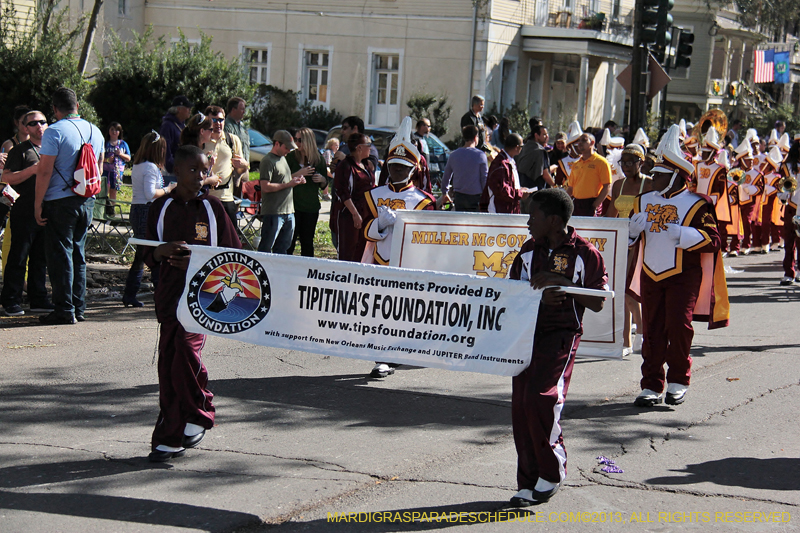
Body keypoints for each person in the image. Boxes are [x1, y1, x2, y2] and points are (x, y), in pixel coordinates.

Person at [507, 188, 608, 506]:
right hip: (525, 335)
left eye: (532, 216)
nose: (527, 222)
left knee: (542, 399)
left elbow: (599, 302)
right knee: (522, 405)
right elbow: (510, 292)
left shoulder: (585, 253)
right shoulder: (527, 250)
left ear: (552, 220)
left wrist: (561, 283)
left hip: (560, 336)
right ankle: (528, 479)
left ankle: (552, 472)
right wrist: (536, 295)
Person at [143, 145, 241, 462]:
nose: (200, 177)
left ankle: (200, 409)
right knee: (169, 363)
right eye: (193, 171)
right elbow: (147, 251)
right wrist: (161, 253)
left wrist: (197, 263)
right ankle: (171, 433)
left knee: (186, 350)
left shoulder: (213, 209)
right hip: (169, 296)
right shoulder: (161, 207)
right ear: (177, 170)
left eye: (204, 171)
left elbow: (234, 257)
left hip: (205, 299)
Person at [628, 124, 728, 408]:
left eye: (659, 175)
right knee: (652, 330)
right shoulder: (642, 201)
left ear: (675, 177)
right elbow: (630, 241)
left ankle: (678, 381)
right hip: (650, 273)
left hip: (683, 274)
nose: (652, 179)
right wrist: (632, 233)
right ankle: (651, 384)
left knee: (679, 327)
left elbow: (714, 240)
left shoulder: (698, 204)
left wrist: (684, 235)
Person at [362, 117, 435, 378]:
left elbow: (429, 240)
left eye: (402, 167)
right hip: (379, 261)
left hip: (408, 263)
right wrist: (379, 225)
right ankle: (384, 355)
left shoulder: (423, 201)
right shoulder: (374, 194)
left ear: (413, 169)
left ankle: (394, 354)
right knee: (381, 309)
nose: (397, 171)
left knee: (402, 311)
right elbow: (364, 232)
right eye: (393, 166)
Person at [33, 87, 104, 325]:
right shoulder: (96, 130)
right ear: (78, 106)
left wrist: (37, 202)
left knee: (60, 255)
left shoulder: (53, 131)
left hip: (59, 200)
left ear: (54, 109)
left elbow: (44, 171)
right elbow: (100, 167)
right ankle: (79, 307)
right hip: (87, 200)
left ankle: (64, 309)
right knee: (78, 253)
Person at [1, 110, 53, 316]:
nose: (38, 126)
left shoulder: (52, 149)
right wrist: (32, 170)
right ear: (25, 128)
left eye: (42, 122)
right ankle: (11, 299)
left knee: (40, 257)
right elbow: (8, 177)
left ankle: (38, 297)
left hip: (47, 209)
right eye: (32, 123)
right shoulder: (21, 150)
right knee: (19, 255)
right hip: (24, 209)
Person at [604, 144, 651, 356]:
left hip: (642, 242)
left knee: (631, 291)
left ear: (641, 163)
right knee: (620, 291)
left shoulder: (649, 185)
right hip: (621, 241)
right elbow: (610, 215)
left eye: (632, 162)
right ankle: (626, 341)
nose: (627, 166)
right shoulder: (618, 185)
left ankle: (641, 331)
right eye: (623, 162)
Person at [123, 131, 176, 308]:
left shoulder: (139, 165)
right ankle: (160, 291)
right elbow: (150, 193)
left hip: (138, 209)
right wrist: (169, 189)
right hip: (146, 210)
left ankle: (131, 293)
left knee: (141, 254)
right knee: (151, 251)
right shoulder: (151, 168)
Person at [258, 130, 308, 254]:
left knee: (283, 249)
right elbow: (265, 186)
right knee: (266, 247)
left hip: (289, 211)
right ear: (277, 144)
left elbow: (283, 179)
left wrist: (295, 180)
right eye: (286, 147)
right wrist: (288, 184)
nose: (288, 151)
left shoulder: (282, 159)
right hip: (274, 212)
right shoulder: (267, 161)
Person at [202, 106, 249, 227]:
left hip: (227, 197)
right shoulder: (202, 140)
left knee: (229, 240)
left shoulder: (232, 140)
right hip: (205, 196)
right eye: (214, 120)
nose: (218, 123)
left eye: (221, 120)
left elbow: (240, 170)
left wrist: (244, 165)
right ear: (207, 120)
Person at [332, 133, 375, 261]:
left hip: (366, 213)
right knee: (348, 250)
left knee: (362, 250)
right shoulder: (345, 166)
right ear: (359, 148)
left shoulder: (366, 165)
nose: (371, 149)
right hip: (349, 215)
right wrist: (355, 214)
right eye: (368, 145)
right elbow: (343, 192)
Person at [286, 127, 328, 257]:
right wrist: (298, 174)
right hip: (293, 206)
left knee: (307, 243)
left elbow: (325, 184)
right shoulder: (291, 157)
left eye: (300, 140)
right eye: (296, 139)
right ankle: (285, 270)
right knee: (289, 242)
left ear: (308, 141)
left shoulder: (318, 159)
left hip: (311, 207)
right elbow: (282, 179)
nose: (297, 143)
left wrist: (321, 179)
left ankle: (306, 272)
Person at [693, 128, 732, 252]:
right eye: (703, 152)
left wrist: (710, 202)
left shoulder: (719, 169)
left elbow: (719, 189)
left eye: (706, 152)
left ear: (712, 153)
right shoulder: (697, 165)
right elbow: (694, 182)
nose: (703, 154)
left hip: (711, 203)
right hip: (696, 200)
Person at [440, 125, 488, 212]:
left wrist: (444, 192)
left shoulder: (454, 155)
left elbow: (446, 176)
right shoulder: (480, 155)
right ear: (475, 137)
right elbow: (484, 179)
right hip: (475, 197)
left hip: (459, 196)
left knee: (461, 222)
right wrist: (486, 196)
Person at [480, 133, 529, 214]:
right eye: (521, 146)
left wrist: (520, 189)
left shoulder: (510, 161)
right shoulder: (501, 164)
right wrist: (520, 193)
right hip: (498, 212)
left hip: (508, 210)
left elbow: (509, 185)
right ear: (517, 147)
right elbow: (502, 190)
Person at [567, 132, 612, 216]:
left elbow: (607, 186)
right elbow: (570, 188)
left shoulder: (601, 162)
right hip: (576, 203)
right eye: (579, 141)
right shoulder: (576, 164)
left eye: (584, 140)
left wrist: (595, 205)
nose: (580, 143)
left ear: (592, 143)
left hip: (592, 203)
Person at [516, 124, 555, 214]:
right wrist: (555, 185)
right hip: (535, 194)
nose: (547, 137)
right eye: (544, 134)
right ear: (536, 136)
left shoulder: (524, 148)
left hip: (522, 192)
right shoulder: (539, 151)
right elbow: (545, 174)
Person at [778, 141, 800, 285]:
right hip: (791, 207)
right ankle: (789, 272)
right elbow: (780, 185)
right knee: (789, 241)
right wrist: (783, 194)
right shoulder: (786, 167)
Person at [159, 95, 193, 184]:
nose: (190, 110)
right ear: (179, 109)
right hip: (172, 172)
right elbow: (165, 149)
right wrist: (173, 167)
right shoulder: (167, 126)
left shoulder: (183, 125)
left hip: (181, 170)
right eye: (187, 107)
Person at [102, 122, 131, 215]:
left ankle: (112, 210)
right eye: (112, 130)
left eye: (117, 130)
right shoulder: (105, 144)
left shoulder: (123, 144)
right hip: (106, 170)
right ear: (109, 131)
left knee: (114, 190)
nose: (114, 132)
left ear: (120, 132)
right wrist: (107, 160)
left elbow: (129, 158)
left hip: (117, 171)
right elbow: (99, 158)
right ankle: (103, 209)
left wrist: (120, 154)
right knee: (105, 189)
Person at [224, 97, 250, 197]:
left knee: (243, 201)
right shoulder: (227, 125)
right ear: (233, 109)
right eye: (242, 109)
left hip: (245, 168)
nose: (244, 112)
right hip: (235, 170)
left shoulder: (243, 126)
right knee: (234, 198)